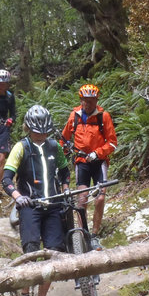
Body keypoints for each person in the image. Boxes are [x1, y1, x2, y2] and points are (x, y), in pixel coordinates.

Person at [1, 105, 71, 296]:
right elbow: (6, 179)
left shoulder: (54, 147)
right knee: (31, 251)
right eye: (38, 132)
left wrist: (66, 186)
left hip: (53, 207)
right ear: (29, 129)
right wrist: (17, 196)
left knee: (52, 255)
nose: (42, 135)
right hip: (30, 206)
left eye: (45, 132)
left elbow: (64, 171)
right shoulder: (21, 148)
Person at [60, 84, 117, 251]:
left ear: (96, 101)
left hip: (99, 162)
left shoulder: (103, 116)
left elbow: (112, 142)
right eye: (85, 101)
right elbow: (63, 139)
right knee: (82, 198)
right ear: (81, 100)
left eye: (91, 101)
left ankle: (95, 233)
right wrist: (60, 157)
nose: (88, 104)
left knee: (99, 198)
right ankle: (83, 232)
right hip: (81, 162)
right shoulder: (74, 116)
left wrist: (98, 153)